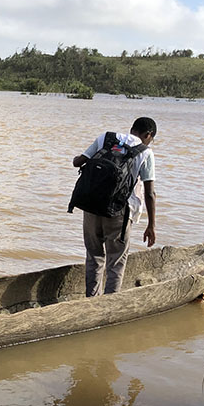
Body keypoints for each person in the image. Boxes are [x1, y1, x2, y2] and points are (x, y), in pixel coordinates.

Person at [72, 117, 157, 297]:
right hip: (120, 213)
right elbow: (150, 193)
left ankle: (91, 301)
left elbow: (78, 162)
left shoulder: (106, 138)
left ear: (132, 129)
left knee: (94, 256)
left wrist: (77, 158)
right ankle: (109, 305)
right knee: (116, 261)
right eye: (151, 138)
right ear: (148, 135)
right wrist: (151, 226)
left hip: (91, 207)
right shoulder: (145, 152)